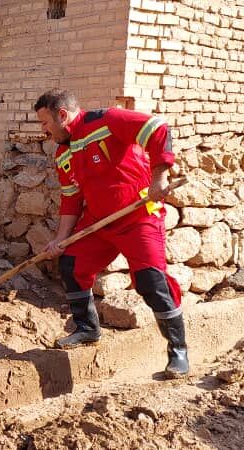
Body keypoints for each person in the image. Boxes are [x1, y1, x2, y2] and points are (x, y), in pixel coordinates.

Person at [33, 89, 189, 379]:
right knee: (71, 263)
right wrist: (60, 239)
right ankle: (87, 328)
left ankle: (178, 352)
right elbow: (71, 198)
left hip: (138, 216)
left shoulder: (108, 120)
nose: (44, 130)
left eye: (45, 123)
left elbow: (157, 129)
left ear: (62, 116)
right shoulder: (63, 152)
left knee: (151, 281)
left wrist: (159, 177)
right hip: (99, 222)